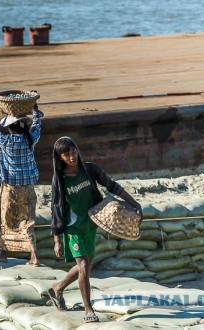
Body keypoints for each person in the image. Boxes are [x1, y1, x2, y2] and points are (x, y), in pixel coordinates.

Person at [48, 136, 142, 324]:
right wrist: (57, 239)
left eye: (73, 151)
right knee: (83, 266)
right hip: (72, 228)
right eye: (66, 154)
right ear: (60, 157)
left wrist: (134, 203)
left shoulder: (89, 170)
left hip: (90, 223)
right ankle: (88, 308)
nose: (72, 156)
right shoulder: (59, 180)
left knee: (86, 266)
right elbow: (56, 208)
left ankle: (57, 288)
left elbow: (112, 185)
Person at [0, 94, 43, 266]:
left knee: (5, 218)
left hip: (10, 187)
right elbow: (38, 124)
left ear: (10, 128)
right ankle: (34, 256)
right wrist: (35, 108)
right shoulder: (30, 139)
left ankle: (3, 253)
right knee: (27, 220)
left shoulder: (6, 141)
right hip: (28, 187)